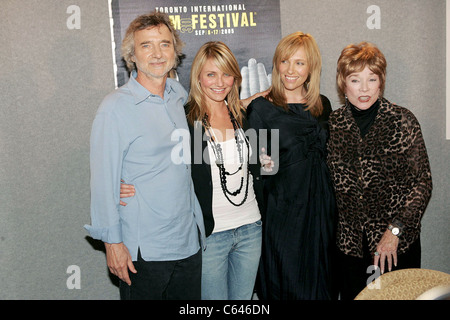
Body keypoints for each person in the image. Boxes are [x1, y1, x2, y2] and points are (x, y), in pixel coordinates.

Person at [121, 41, 272, 299]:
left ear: (235, 77)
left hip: (251, 229)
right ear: (199, 77)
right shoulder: (185, 121)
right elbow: (157, 160)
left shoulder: (247, 117)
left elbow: (265, 167)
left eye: (226, 74)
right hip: (210, 236)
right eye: (211, 74)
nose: (219, 82)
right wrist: (122, 182)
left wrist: (268, 164)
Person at [84, 11, 205, 300]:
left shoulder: (180, 95)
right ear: (132, 55)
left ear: (175, 52)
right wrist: (113, 243)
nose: (157, 53)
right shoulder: (115, 107)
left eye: (164, 44)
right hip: (144, 251)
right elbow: (103, 181)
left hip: (188, 244)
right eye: (146, 45)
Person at [327, 42, 433, 300]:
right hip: (350, 248)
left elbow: (423, 183)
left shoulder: (402, 120)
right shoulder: (333, 124)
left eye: (371, 79)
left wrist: (395, 230)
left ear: (381, 81)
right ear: (343, 83)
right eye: (355, 79)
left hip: (396, 246)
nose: (364, 89)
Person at [246, 31, 336, 300]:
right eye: (284, 61)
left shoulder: (323, 106)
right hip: (284, 216)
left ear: (311, 69)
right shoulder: (262, 109)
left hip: (323, 214)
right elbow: (258, 169)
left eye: (299, 63)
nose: (290, 70)